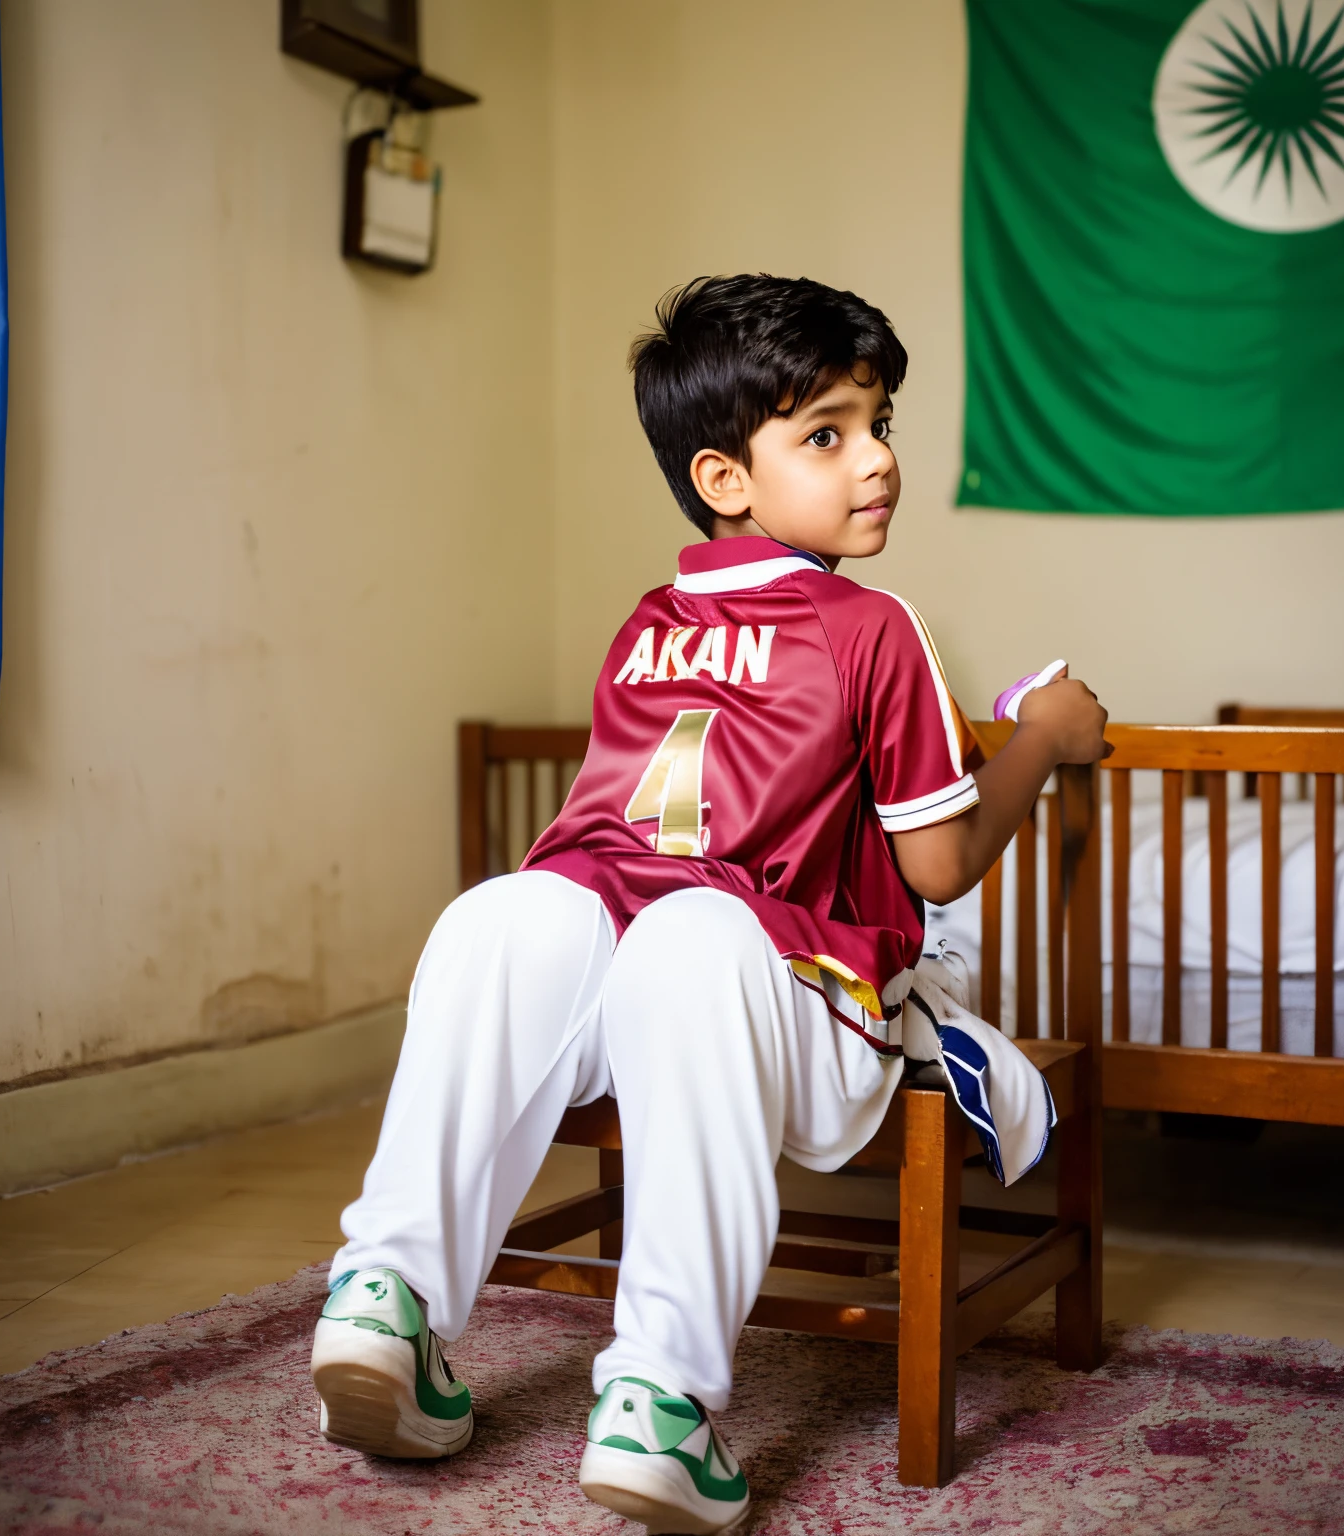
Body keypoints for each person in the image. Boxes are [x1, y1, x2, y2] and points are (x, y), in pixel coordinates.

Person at [310, 274, 1110, 1534]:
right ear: (725, 476)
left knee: (504, 916)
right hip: (761, 1001)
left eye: (882, 423)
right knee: (679, 930)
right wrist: (1040, 737)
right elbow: (941, 869)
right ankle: (658, 1404)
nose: (880, 461)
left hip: (632, 983)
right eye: (830, 434)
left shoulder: (650, 620)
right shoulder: (870, 625)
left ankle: (383, 1298)